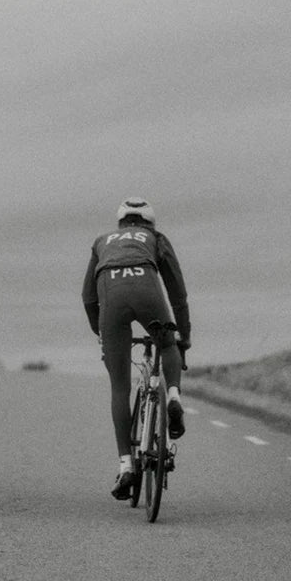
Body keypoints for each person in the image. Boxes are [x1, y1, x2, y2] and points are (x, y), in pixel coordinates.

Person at [82, 197, 191, 500]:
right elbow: (178, 293)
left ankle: (126, 465)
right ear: (149, 223)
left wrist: (102, 332)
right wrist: (184, 338)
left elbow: (88, 297)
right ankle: (172, 395)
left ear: (120, 223)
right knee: (166, 344)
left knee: (120, 388)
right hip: (148, 291)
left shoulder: (102, 241)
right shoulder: (155, 238)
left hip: (111, 302)